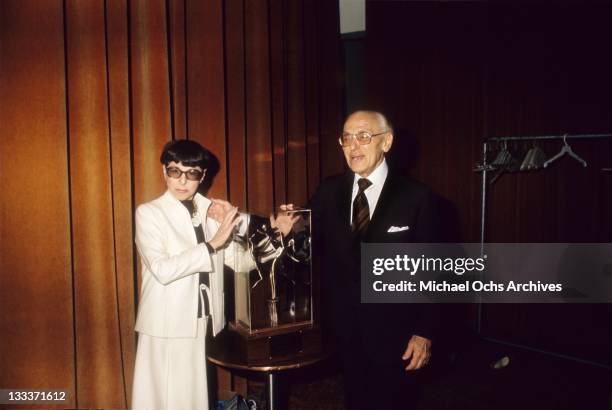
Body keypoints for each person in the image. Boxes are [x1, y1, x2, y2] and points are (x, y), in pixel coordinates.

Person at [287, 110, 441, 409]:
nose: (353, 146)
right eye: (346, 138)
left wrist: (425, 332)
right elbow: (306, 243)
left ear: (387, 142)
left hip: (397, 330)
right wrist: (288, 228)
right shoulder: (328, 191)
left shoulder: (418, 197)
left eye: (364, 136)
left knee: (396, 401)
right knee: (355, 398)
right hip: (345, 327)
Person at [131, 140, 254, 410]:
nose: (182, 181)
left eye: (192, 173)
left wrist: (278, 235)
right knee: (160, 398)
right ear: (164, 171)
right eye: (175, 171)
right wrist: (211, 245)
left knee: (191, 399)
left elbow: (242, 263)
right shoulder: (149, 213)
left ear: (203, 176)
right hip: (164, 322)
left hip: (199, 319)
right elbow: (162, 270)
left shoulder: (210, 213)